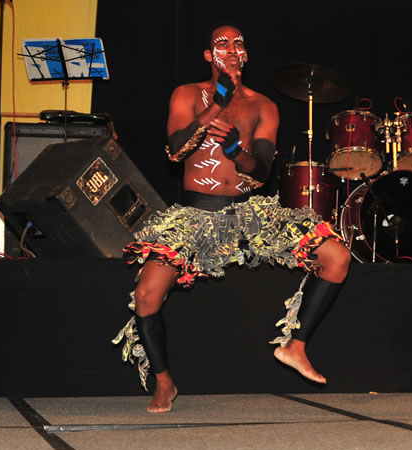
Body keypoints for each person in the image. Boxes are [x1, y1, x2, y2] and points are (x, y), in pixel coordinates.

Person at [113, 25, 351, 412]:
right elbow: (175, 151)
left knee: (337, 256)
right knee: (146, 293)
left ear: (246, 56)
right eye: (221, 43)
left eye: (238, 43)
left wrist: (234, 151)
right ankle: (164, 382)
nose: (231, 48)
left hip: (245, 215)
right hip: (194, 214)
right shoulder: (187, 95)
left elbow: (260, 172)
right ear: (209, 55)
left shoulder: (263, 106)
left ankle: (296, 345)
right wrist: (215, 103)